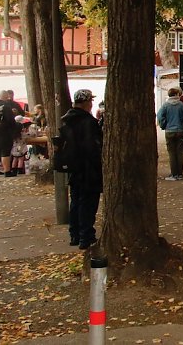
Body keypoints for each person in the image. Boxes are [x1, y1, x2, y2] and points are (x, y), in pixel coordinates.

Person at [61, 89, 103, 250]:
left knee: (76, 200)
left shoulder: (67, 120)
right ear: (87, 103)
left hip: (73, 166)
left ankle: (75, 234)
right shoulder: (88, 122)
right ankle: (86, 236)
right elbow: (93, 146)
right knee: (88, 202)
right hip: (88, 167)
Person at [157, 87, 183, 181]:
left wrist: (164, 125)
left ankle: (174, 174)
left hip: (169, 131)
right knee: (180, 152)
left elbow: (159, 115)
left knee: (172, 153)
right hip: (180, 130)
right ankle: (180, 173)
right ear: (177, 94)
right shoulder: (181, 105)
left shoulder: (165, 105)